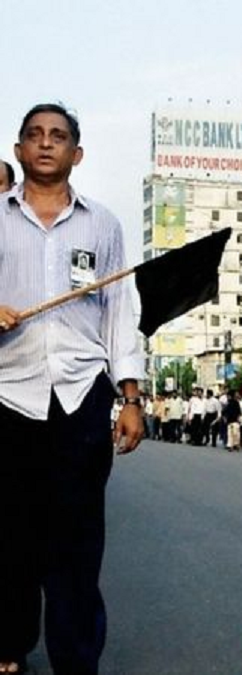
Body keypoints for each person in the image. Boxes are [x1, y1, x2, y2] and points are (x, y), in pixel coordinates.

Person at [0, 102, 145, 675]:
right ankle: (8, 645)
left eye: (57, 136)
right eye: (34, 134)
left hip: (82, 399)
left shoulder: (103, 225)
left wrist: (129, 398)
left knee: (77, 543)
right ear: (18, 149)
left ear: (75, 154)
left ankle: (76, 657)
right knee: (8, 537)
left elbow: (119, 314)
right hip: (8, 397)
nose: (45, 143)